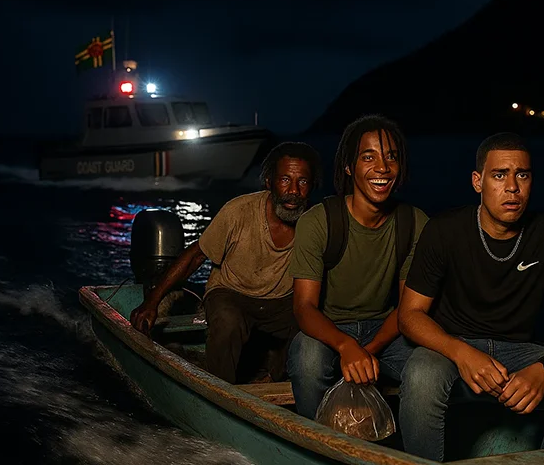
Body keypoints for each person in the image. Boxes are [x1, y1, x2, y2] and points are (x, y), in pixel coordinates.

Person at [397, 132, 544, 462]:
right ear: (477, 181)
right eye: (499, 175)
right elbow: (409, 315)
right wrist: (460, 352)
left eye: (521, 175)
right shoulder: (445, 230)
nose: (512, 187)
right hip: (453, 346)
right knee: (422, 375)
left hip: (520, 352)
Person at [129, 141, 323, 384]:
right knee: (228, 320)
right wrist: (152, 301)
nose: (293, 190)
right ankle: (221, 392)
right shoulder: (238, 212)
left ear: (312, 185)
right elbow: (195, 256)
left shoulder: (315, 222)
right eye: (285, 180)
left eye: (302, 182)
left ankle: (272, 380)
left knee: (311, 316)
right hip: (231, 293)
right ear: (269, 182)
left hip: (279, 303)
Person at [286, 114, 429, 419]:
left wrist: (368, 350)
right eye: (369, 157)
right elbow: (304, 307)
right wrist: (345, 345)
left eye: (391, 157)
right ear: (350, 167)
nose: (382, 168)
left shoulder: (413, 223)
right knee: (307, 360)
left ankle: (412, 459)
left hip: (387, 329)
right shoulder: (318, 221)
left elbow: (408, 309)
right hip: (329, 328)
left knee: (430, 365)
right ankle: (317, 448)